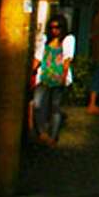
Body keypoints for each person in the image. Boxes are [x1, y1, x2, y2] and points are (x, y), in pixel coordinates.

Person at [32, 14, 76, 146]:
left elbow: (67, 59)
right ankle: (42, 132)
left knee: (55, 107)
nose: (54, 30)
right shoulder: (45, 40)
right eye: (52, 27)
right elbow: (38, 58)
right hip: (44, 76)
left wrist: (63, 76)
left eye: (58, 28)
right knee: (37, 104)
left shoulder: (68, 40)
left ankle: (53, 136)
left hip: (58, 76)